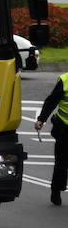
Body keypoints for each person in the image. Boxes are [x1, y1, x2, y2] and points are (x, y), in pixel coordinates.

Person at [34, 71, 68, 205]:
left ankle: (56, 191)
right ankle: (57, 189)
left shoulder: (65, 79)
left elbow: (52, 101)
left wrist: (41, 119)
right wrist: (41, 119)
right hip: (64, 128)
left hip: (63, 127)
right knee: (62, 163)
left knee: (61, 162)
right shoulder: (65, 80)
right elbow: (52, 101)